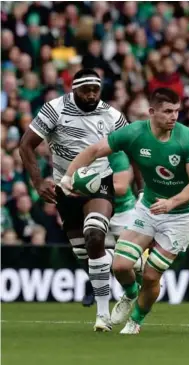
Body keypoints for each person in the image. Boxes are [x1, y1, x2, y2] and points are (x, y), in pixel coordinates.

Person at [63, 87, 189, 334]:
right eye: (168, 111)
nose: (174, 116)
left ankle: (136, 320)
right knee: (121, 266)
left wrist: (172, 202)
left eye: (177, 111)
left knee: (150, 275)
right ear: (152, 112)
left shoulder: (188, 138)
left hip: (182, 213)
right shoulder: (135, 133)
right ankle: (129, 294)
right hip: (149, 206)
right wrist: (68, 176)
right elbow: (94, 150)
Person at [19, 68, 128, 331]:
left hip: (100, 182)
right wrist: (37, 182)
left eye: (96, 90)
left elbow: (132, 146)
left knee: (94, 235)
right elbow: (25, 145)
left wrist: (142, 184)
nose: (91, 95)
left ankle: (102, 316)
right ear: (74, 88)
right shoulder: (54, 110)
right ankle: (125, 260)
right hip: (65, 186)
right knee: (86, 253)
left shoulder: (112, 115)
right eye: (86, 90)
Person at [82, 150, 145, 308]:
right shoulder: (84, 153)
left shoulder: (117, 155)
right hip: (96, 209)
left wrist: (89, 186)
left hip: (122, 211)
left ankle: (141, 285)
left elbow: (121, 187)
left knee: (130, 259)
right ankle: (94, 289)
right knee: (92, 251)